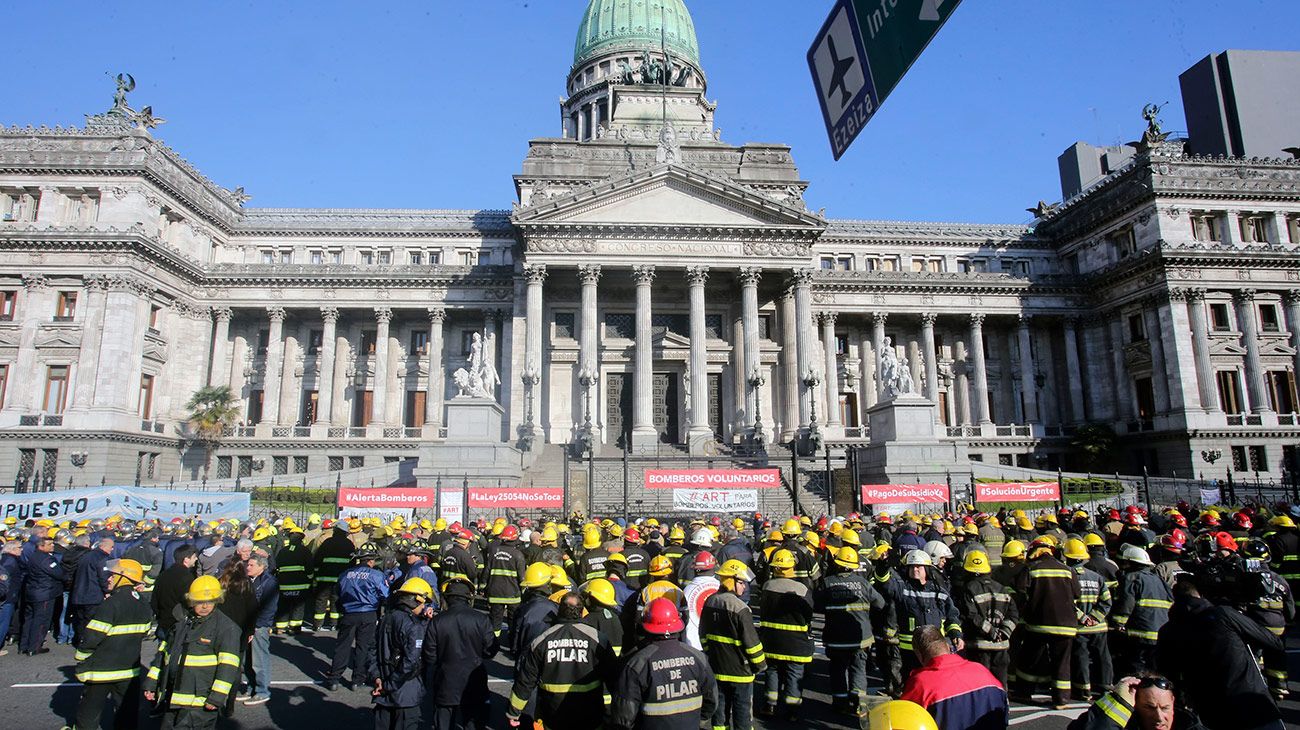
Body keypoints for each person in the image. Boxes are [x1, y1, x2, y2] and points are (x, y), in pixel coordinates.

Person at [1156, 576, 1284, 730]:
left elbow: (1168, 675)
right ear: (1200, 595)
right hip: (1252, 703)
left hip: (1210, 710)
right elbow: (1274, 642)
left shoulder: (1168, 631)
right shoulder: (1223, 615)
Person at [142, 575, 243, 730]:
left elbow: (228, 666)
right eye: (199, 602)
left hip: (200, 702)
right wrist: (152, 682)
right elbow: (163, 654)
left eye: (210, 601)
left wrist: (216, 698)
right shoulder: (182, 622)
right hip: (174, 698)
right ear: (191, 601)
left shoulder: (226, 628)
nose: (205, 606)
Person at [507, 592, 616, 729]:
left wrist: (514, 712)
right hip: (590, 715)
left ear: (559, 610)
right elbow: (614, 677)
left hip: (553, 716)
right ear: (582, 612)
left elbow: (526, 680)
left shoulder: (542, 640)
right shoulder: (598, 639)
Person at [65, 558, 151, 730]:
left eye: (113, 575)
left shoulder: (111, 603)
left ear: (124, 578)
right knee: (126, 714)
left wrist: (82, 656)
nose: (109, 579)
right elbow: (145, 632)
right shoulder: (142, 603)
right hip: (129, 671)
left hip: (101, 671)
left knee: (89, 713)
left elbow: (92, 637)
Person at [610, 597, 718, 730]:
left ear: (645, 627)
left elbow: (623, 716)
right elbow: (711, 701)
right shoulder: (699, 658)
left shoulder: (637, 663)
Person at [1012, 538, 1080, 709]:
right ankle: (1061, 699)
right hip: (1067, 624)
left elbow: (1020, 592)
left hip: (1039, 623)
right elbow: (1077, 593)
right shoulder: (1067, 570)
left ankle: (1023, 691)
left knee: (1029, 658)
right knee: (1062, 662)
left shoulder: (1031, 569)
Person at [424, 576, 500, 730]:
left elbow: (429, 656)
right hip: (474, 681)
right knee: (472, 723)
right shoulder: (481, 619)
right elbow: (491, 650)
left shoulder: (438, 621)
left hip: (446, 681)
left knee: (443, 723)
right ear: (468, 598)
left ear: (447, 598)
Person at [818, 546, 885, 716]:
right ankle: (859, 704)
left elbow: (817, 605)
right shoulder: (862, 583)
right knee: (858, 669)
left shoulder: (827, 583)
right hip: (860, 637)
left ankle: (840, 703)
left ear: (837, 564)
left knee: (837, 670)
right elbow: (880, 603)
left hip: (836, 637)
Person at [901, 625, 1008, 730]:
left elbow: (905, 723)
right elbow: (1003, 716)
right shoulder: (983, 672)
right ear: (947, 647)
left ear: (919, 654)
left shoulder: (920, 685)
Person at [700, 560, 766, 730]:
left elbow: (703, 636)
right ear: (731, 581)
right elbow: (752, 644)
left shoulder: (710, 602)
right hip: (741, 673)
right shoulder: (740, 608)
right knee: (742, 714)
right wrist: (759, 665)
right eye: (742, 583)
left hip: (717, 669)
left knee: (719, 714)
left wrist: (711, 656)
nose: (744, 587)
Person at [370, 577, 434, 730]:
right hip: (405, 695)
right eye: (424, 602)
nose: (424, 607)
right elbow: (412, 661)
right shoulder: (413, 626)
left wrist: (377, 677)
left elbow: (372, 650)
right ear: (416, 600)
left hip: (383, 695)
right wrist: (389, 685)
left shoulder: (386, 618)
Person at [757, 548, 814, 719]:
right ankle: (792, 710)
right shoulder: (802, 589)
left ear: (775, 568)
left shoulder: (768, 587)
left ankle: (769, 705)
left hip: (772, 641)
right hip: (796, 644)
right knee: (794, 673)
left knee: (772, 671)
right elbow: (809, 614)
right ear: (792, 567)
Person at [327, 543, 390, 691]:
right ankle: (357, 680)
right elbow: (385, 595)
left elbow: (336, 595)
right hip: (368, 614)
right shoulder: (376, 575)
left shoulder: (345, 575)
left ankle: (334, 679)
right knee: (363, 647)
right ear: (370, 561)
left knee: (342, 647)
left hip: (348, 614)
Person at [954, 548, 1017, 689]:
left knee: (981, 684)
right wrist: (1004, 633)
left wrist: (991, 631)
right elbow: (1013, 615)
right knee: (1000, 683)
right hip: (1002, 646)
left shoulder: (968, 588)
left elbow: (971, 616)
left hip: (979, 646)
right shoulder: (1001, 588)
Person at [1111, 543, 1173, 677]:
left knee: (1135, 668)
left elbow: (1126, 604)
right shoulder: (1158, 579)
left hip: (1139, 633)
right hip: (1159, 633)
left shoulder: (1131, 578)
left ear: (1130, 563)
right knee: (1153, 670)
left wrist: (1118, 624)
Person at [1064, 538, 1113, 701]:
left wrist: (1083, 618)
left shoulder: (1067, 577)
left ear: (1067, 557)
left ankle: (1083, 690)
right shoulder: (1097, 577)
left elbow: (1066, 602)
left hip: (1080, 627)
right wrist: (1095, 618)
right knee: (1103, 657)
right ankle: (1106, 686)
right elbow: (1106, 601)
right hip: (1099, 627)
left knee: (1081, 658)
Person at [1067, 674, 1207, 730]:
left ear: (1173, 703)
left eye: (1165, 708)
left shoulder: (1191, 726)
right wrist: (1117, 703)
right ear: (1134, 708)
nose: (1159, 718)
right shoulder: (1121, 724)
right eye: (1149, 708)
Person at [242, 555, 278, 706]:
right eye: (247, 565)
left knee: (259, 659)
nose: (247, 567)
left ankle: (262, 691)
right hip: (248, 625)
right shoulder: (250, 580)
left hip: (258, 627)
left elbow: (269, 608)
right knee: (247, 660)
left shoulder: (269, 583)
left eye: (251, 565)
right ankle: (251, 688)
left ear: (261, 566)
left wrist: (256, 626)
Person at [20, 534, 63, 655]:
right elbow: (58, 573)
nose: (53, 546)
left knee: (29, 619)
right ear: (41, 546)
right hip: (44, 594)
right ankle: (35, 646)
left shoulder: (33, 556)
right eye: (50, 544)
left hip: (32, 592)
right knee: (41, 621)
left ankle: (24, 645)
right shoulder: (46, 559)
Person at [70, 536, 114, 646]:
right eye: (111, 547)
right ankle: (89, 644)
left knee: (81, 621)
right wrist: (107, 591)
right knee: (92, 622)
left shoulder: (87, 556)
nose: (112, 549)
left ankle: (80, 641)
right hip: (93, 595)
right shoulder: (102, 558)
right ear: (104, 546)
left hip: (79, 594)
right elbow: (103, 577)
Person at [485, 525, 526, 639]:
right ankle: (513, 646)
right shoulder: (518, 554)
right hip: (513, 594)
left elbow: (487, 571)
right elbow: (522, 577)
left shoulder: (493, 551)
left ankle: (492, 645)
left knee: (495, 622)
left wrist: (484, 587)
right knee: (513, 622)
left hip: (495, 593)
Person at [153, 544, 198, 642]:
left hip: (163, 622)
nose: (196, 559)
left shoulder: (163, 575)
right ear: (186, 559)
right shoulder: (187, 577)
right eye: (194, 557)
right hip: (177, 626)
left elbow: (154, 600)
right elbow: (189, 602)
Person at [272, 525, 312, 634]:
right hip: (300, 585)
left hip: (284, 585)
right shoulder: (305, 551)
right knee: (298, 607)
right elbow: (309, 568)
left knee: (284, 606)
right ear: (301, 539)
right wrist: (310, 580)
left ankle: (280, 627)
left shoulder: (283, 551)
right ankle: (294, 628)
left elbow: (277, 567)